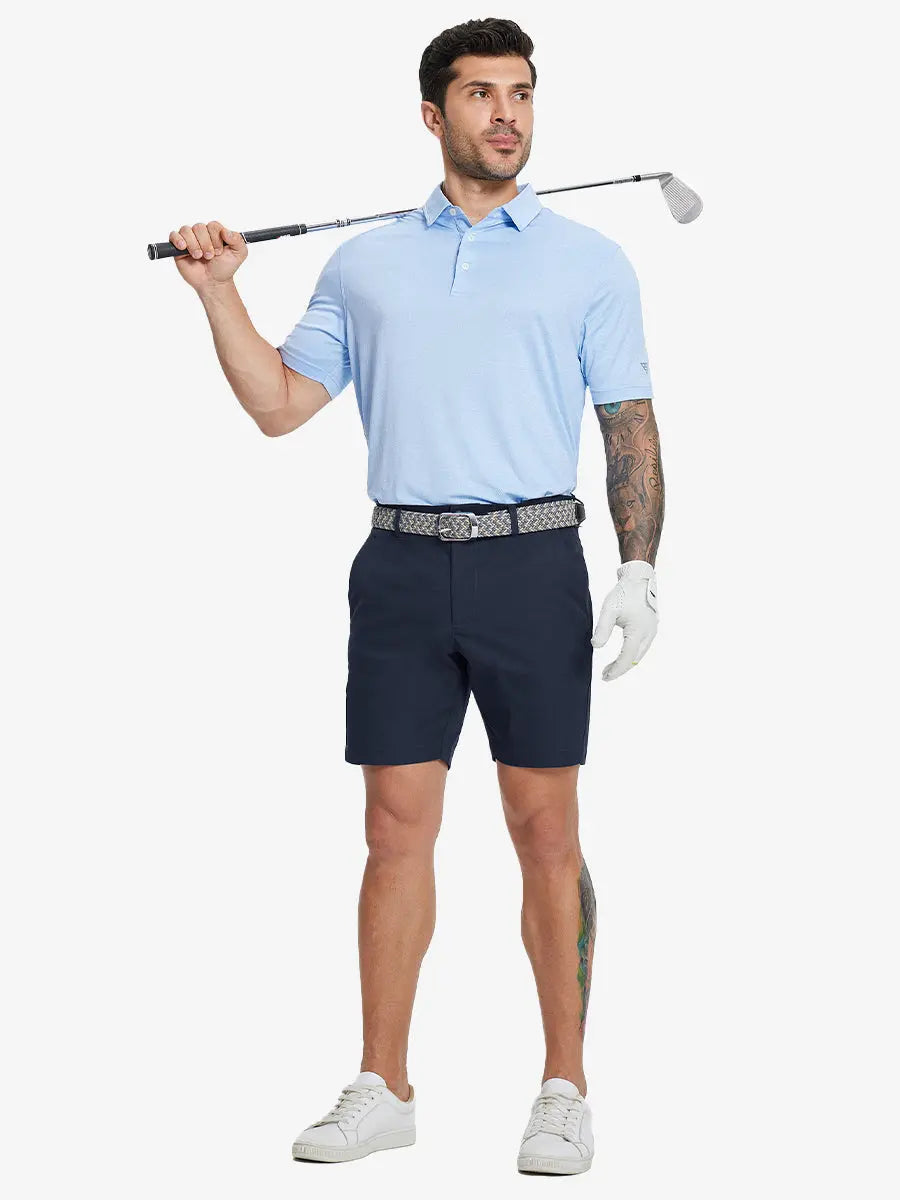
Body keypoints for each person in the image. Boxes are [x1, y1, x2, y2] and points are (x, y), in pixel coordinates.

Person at [168, 16, 664, 1177]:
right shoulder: (367, 263)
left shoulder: (589, 260)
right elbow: (280, 406)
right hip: (399, 567)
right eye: (482, 94)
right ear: (434, 114)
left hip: (533, 561)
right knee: (393, 829)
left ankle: (564, 1087)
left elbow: (628, 424)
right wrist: (219, 294)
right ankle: (383, 1085)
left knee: (546, 829)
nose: (508, 114)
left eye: (522, 93)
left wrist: (639, 567)